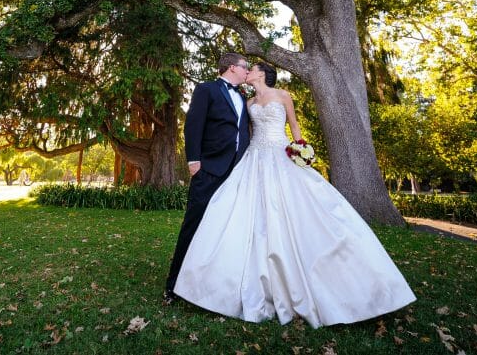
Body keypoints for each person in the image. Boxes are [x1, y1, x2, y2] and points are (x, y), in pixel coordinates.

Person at [173, 62, 416, 327]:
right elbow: (241, 133)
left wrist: (301, 152)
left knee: (303, 212)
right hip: (254, 159)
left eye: (251, 69)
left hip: (280, 154)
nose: (248, 73)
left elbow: (295, 127)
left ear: (262, 74)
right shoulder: (248, 101)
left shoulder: (283, 96)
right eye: (246, 68)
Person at [164, 51, 252, 304]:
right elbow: (193, 124)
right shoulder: (207, 89)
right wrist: (194, 161)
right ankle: (174, 286)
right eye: (245, 68)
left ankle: (213, 286)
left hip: (238, 170)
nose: (247, 72)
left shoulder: (244, 96)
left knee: (225, 228)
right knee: (194, 224)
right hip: (210, 168)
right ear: (233, 68)